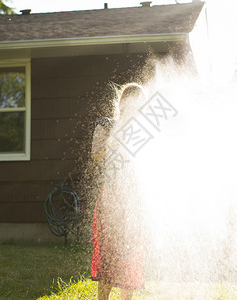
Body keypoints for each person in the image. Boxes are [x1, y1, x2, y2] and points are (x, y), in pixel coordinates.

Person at [90, 83, 146, 300]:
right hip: (111, 197)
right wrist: (112, 142)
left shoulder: (143, 131)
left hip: (133, 198)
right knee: (108, 252)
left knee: (130, 252)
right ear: (123, 102)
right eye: (135, 100)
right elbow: (95, 156)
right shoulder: (106, 124)